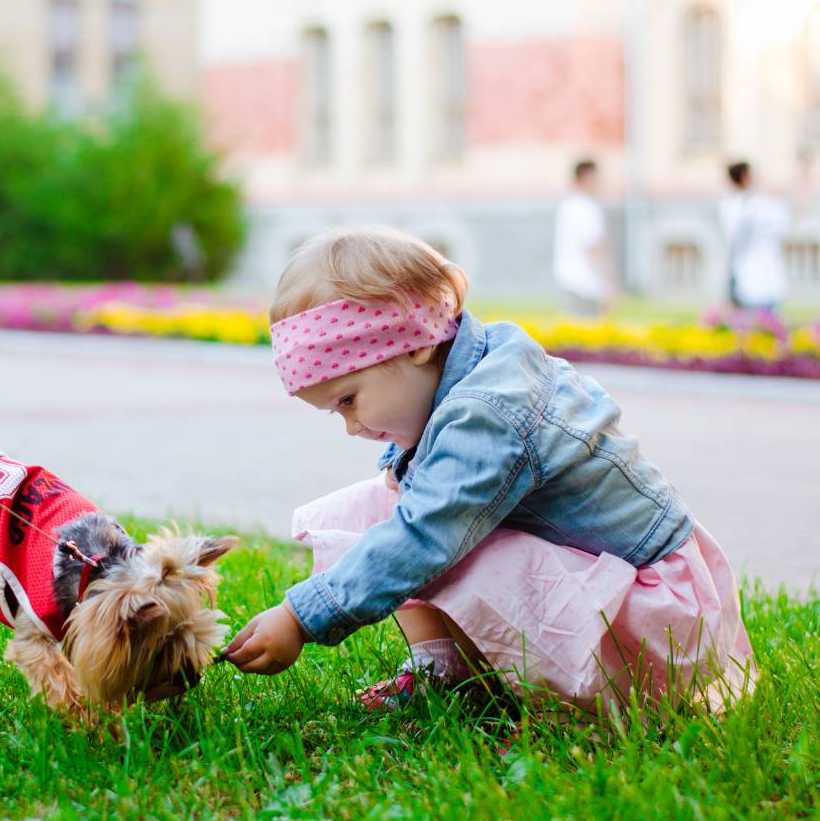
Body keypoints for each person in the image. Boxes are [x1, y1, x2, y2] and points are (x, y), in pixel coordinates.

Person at [222, 226, 755, 713]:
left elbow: (423, 539)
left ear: (416, 342)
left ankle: (568, 712)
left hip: (655, 620)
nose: (351, 427)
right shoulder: (476, 359)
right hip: (616, 595)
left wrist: (302, 617)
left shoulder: (490, 412)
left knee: (423, 535)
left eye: (348, 400)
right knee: (389, 504)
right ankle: (446, 672)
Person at [718, 161, 790, 313]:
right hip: (750, 273)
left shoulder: (752, 201)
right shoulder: (742, 204)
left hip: (764, 272)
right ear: (745, 177)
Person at [552, 159, 614, 317]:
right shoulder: (587, 208)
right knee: (588, 328)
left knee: (570, 328)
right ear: (586, 177)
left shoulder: (568, 205)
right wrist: (607, 284)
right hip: (585, 284)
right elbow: (593, 248)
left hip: (568, 280)